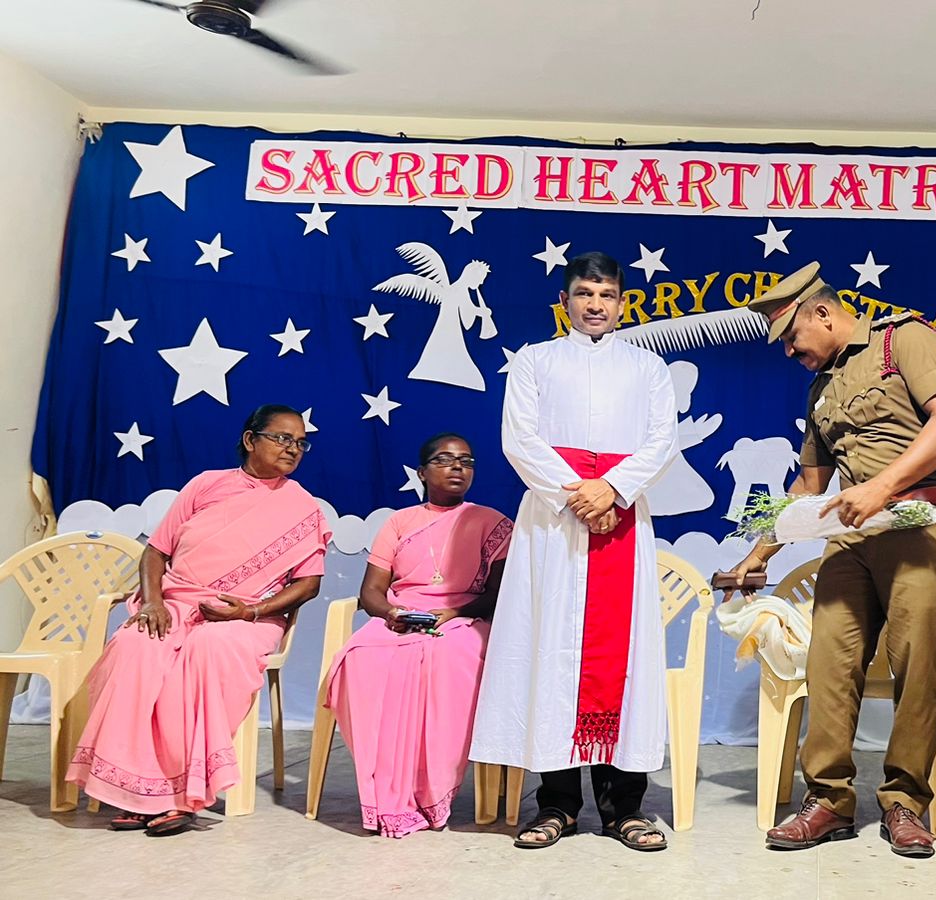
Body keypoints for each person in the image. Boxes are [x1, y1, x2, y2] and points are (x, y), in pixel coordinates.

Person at [727, 261, 936, 859]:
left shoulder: (901, 340)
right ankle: (828, 800)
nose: (789, 352)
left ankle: (905, 802)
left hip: (922, 528)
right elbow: (809, 490)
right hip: (852, 539)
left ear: (822, 312)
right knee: (829, 662)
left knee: (917, 665)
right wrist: (756, 555)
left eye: (791, 337)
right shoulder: (820, 391)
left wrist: (881, 487)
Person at [470, 252, 678, 852]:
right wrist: (579, 496)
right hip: (555, 521)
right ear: (565, 301)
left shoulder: (648, 367)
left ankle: (623, 809)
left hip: (621, 518)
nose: (595, 305)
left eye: (607, 295)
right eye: (585, 293)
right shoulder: (534, 360)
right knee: (551, 650)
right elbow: (520, 438)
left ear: (622, 303)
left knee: (622, 657)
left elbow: (661, 441)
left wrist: (611, 489)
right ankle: (556, 804)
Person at [66, 404, 329, 836]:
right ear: (250, 440)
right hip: (175, 603)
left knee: (207, 650)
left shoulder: (303, 507)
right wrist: (152, 603)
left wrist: (249, 611)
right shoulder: (207, 485)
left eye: (301, 443)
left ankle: (181, 795)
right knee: (135, 648)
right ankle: (133, 790)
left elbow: (309, 584)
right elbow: (156, 552)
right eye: (282, 438)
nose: (293, 449)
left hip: (247, 616)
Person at [324, 433, 512, 838]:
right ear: (422, 472)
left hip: (464, 619)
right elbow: (371, 592)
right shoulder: (399, 521)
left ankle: (432, 792)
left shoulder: (492, 522)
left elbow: (500, 593)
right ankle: (386, 792)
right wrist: (393, 614)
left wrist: (454, 612)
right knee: (361, 657)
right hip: (400, 619)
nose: (458, 467)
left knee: (445, 658)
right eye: (444, 460)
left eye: (466, 461)